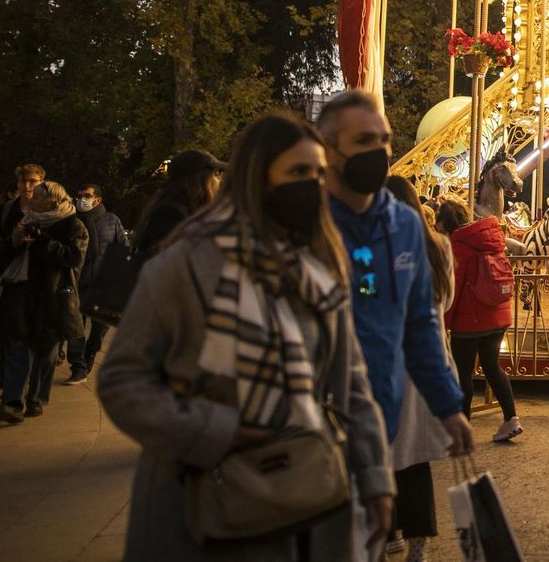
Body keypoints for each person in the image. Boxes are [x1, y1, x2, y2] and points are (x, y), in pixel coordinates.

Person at [97, 111, 395, 559]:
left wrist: (375, 477)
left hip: (310, 494)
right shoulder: (183, 264)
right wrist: (215, 431)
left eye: (318, 174)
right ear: (258, 179)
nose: (312, 186)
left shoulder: (317, 270)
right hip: (205, 499)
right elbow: (122, 380)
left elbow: (351, 385)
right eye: (298, 172)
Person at [315, 91, 473, 462]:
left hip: (379, 424)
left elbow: (420, 324)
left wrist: (449, 408)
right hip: (316, 429)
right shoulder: (306, 225)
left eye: (384, 141)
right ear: (329, 150)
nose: (379, 153)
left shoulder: (404, 226)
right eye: (363, 141)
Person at [383, 175, 457, 562]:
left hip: (388, 356)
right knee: (416, 455)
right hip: (428, 359)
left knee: (387, 448)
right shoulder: (440, 247)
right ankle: (418, 543)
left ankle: (390, 530)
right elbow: (445, 303)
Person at [0, 181, 87, 422]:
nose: (31, 199)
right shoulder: (27, 221)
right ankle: (12, 402)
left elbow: (73, 258)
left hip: (53, 298)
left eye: (37, 197)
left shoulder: (73, 225)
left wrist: (42, 240)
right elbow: (4, 256)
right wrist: (15, 241)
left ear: (52, 201)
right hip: (21, 295)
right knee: (17, 349)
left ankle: (36, 399)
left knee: (46, 353)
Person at [437, 194, 522, 443]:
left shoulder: (459, 245)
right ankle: (511, 419)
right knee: (492, 366)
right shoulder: (491, 238)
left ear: (446, 222)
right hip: (498, 315)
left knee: (462, 372)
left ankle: (463, 429)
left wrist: (444, 322)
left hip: (470, 319)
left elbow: (454, 288)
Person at [0, 164, 45, 387]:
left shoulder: (47, 211)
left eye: (33, 182)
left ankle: (16, 380)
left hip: (35, 279)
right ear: (17, 184)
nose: (28, 187)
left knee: (24, 331)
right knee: (3, 326)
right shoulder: (6, 210)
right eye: (24, 182)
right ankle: (2, 373)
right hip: (7, 276)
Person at [65, 183, 125, 384]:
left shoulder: (111, 220)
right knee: (76, 327)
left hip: (103, 282)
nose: (82, 198)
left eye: (87, 195)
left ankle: (90, 353)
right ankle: (78, 365)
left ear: (97, 199)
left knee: (100, 327)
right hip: (77, 280)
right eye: (80, 195)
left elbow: (122, 249)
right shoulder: (72, 221)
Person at [133, 149, 226, 262]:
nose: (220, 180)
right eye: (216, 174)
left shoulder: (180, 211)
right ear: (200, 179)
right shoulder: (170, 216)